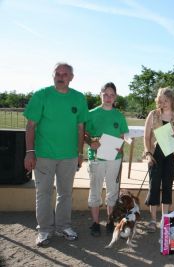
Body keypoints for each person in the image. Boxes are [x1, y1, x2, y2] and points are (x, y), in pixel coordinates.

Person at [24, 63, 88, 246]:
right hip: (44, 155)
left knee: (65, 193)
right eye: (57, 73)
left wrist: (79, 153)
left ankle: (63, 227)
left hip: (69, 156)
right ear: (53, 75)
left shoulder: (79, 98)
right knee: (43, 193)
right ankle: (44, 230)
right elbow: (30, 126)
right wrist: (30, 152)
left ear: (71, 77)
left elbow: (80, 127)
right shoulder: (41, 95)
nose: (61, 77)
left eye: (65, 74)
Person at [84, 82, 129, 237]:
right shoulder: (91, 113)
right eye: (106, 94)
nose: (108, 98)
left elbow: (122, 136)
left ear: (115, 97)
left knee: (112, 192)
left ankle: (110, 221)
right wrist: (91, 142)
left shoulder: (119, 115)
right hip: (96, 158)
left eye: (111, 95)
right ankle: (95, 223)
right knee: (95, 190)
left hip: (114, 158)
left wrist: (120, 146)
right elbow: (84, 134)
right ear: (100, 95)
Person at [143, 87, 174, 233]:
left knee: (167, 186)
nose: (163, 103)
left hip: (172, 155)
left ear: (172, 100)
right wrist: (148, 154)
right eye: (161, 100)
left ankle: (165, 219)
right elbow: (146, 137)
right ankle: (153, 220)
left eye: (166, 100)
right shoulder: (153, 114)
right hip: (155, 155)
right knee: (154, 186)